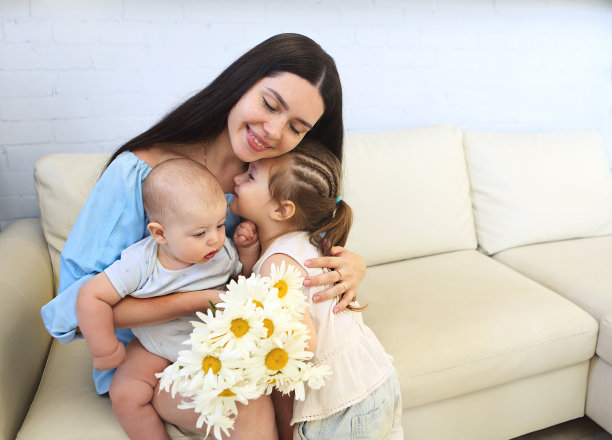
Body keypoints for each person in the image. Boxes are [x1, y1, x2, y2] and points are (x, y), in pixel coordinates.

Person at [40, 33, 366, 437]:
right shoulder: (140, 175)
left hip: (234, 343)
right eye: (269, 104)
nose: (273, 131)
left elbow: (298, 253)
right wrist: (199, 301)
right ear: (241, 83)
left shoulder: (274, 182)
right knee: (244, 403)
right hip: (149, 358)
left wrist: (351, 264)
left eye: (296, 127)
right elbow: (70, 311)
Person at [230, 139, 404, 439]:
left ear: (282, 209)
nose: (236, 178)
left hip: (338, 408)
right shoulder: (311, 243)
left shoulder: (277, 265)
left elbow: (298, 352)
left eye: (250, 176)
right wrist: (248, 257)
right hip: (377, 380)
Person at [76, 159, 259, 440]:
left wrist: (247, 252)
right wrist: (103, 348)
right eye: (200, 233)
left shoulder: (223, 253)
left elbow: (242, 282)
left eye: (220, 225)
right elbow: (92, 294)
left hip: (211, 346)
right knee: (125, 394)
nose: (214, 239)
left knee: (246, 393)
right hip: (155, 347)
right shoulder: (142, 262)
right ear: (160, 233)